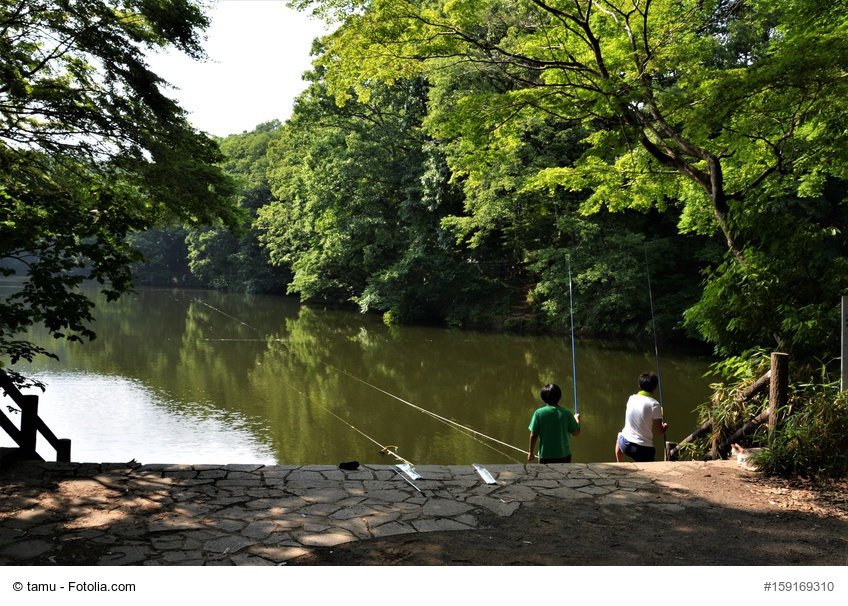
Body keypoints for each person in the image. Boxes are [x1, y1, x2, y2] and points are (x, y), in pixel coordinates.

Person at [615, 371, 668, 462]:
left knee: (620, 436)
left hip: (625, 444)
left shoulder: (631, 398)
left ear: (639, 385)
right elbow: (659, 432)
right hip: (644, 450)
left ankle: (620, 464)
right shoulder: (655, 405)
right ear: (655, 387)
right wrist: (664, 428)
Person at [528, 383, 581, 464]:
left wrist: (531, 452)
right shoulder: (567, 413)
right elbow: (576, 433)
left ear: (543, 398)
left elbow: (533, 435)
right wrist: (577, 419)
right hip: (564, 455)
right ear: (559, 397)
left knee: (545, 476)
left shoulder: (538, 413)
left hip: (545, 455)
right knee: (563, 476)